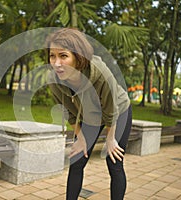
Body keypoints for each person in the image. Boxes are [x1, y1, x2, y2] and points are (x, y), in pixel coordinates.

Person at [46, 28, 132, 200]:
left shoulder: (99, 73)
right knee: (76, 161)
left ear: (78, 57)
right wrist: (81, 138)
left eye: (63, 56)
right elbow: (68, 113)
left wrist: (110, 139)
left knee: (114, 161)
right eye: (52, 56)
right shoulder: (53, 79)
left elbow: (110, 109)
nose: (56, 63)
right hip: (90, 116)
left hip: (118, 111)